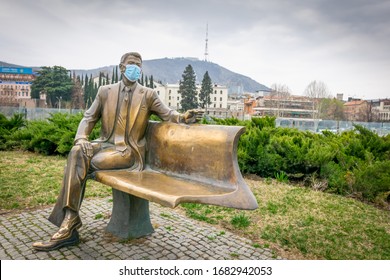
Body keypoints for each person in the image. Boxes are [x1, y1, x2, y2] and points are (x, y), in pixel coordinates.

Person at [32, 52, 198, 251]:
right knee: (77, 151)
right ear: (121, 67)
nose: (135, 68)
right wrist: (82, 138)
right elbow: (88, 118)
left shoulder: (148, 94)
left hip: (128, 153)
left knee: (80, 162)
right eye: (131, 64)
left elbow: (168, 114)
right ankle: (71, 217)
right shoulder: (105, 91)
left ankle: (69, 225)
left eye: (138, 65)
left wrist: (184, 117)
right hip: (104, 144)